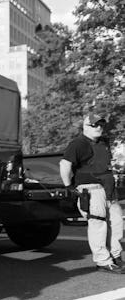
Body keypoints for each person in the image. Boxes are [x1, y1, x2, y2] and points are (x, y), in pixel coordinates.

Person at [60, 109, 124, 274]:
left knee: (116, 225)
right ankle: (103, 261)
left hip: (109, 191)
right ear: (85, 126)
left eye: (101, 124)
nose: (98, 127)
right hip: (92, 190)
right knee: (98, 225)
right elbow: (65, 165)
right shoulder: (78, 144)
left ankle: (116, 256)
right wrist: (69, 187)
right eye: (94, 124)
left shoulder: (103, 142)